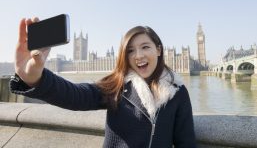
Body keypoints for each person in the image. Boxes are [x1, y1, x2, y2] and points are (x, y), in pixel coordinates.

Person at [10, 17, 197, 148]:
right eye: (130, 50)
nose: (138, 55)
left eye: (145, 47)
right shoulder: (117, 86)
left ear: (158, 50)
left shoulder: (177, 93)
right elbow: (76, 95)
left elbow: (186, 143)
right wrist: (34, 77)